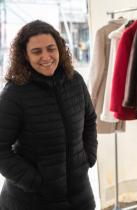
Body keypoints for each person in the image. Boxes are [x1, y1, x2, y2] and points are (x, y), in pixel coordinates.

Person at [0, 20, 97, 210]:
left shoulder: (74, 80)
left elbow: (90, 120)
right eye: (37, 51)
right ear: (25, 56)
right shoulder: (14, 94)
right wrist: (35, 181)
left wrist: (89, 156)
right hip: (32, 200)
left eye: (51, 48)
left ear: (60, 49)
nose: (46, 56)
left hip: (79, 196)